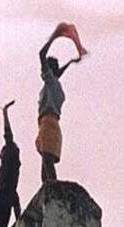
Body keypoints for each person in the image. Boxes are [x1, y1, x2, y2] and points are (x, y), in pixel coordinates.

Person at [36, 28, 82, 182]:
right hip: (51, 123)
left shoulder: (50, 82)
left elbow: (41, 55)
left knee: (47, 162)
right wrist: (69, 62)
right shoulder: (56, 86)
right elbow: (58, 73)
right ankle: (48, 188)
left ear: (49, 70)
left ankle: (54, 189)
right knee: (45, 163)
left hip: (48, 123)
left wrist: (53, 37)